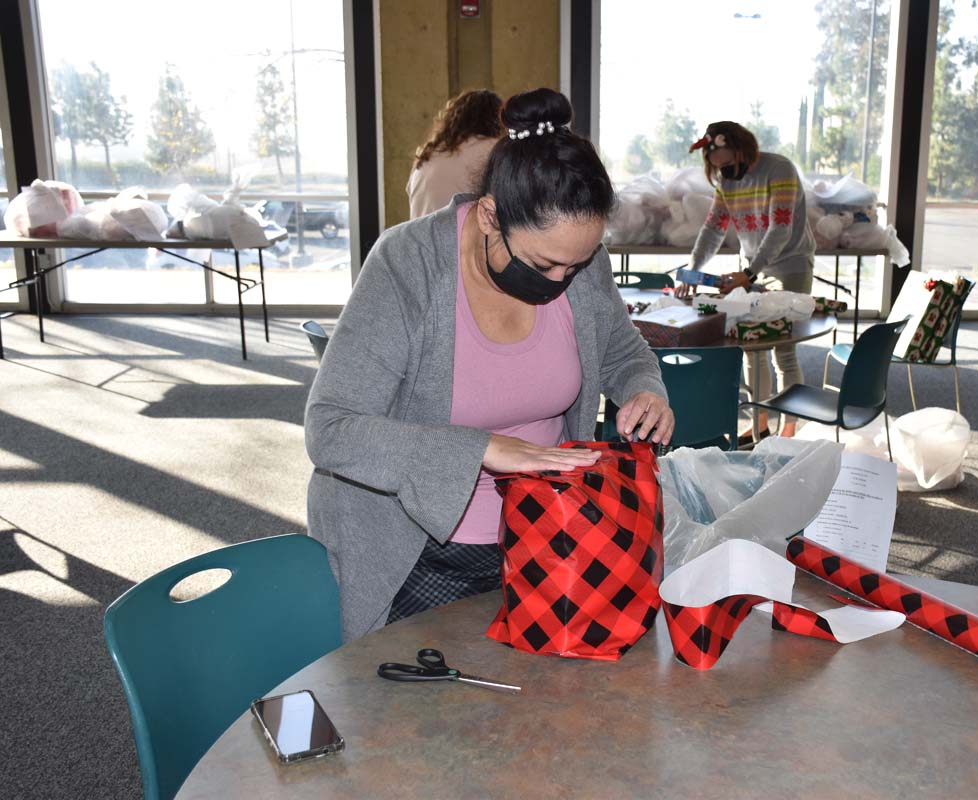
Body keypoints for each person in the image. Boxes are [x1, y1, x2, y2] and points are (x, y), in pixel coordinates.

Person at [307, 88, 675, 642]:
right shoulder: (408, 265)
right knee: (429, 710)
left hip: (549, 532)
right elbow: (331, 429)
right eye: (543, 263)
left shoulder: (578, 257)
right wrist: (482, 448)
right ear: (488, 216)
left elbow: (623, 351)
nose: (560, 283)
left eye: (575, 267)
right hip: (419, 549)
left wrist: (644, 388)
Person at [682, 121, 816, 440]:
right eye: (718, 167)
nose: (725, 172)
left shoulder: (779, 169)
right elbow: (713, 229)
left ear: (742, 149)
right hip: (753, 268)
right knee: (753, 348)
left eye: (728, 163)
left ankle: (789, 428)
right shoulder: (728, 183)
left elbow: (780, 229)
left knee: (783, 350)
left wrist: (749, 272)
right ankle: (759, 425)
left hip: (789, 266)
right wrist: (692, 267)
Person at [406, 89, 504, 219]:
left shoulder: (426, 157)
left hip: (417, 238)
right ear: (498, 119)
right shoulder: (493, 149)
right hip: (457, 237)